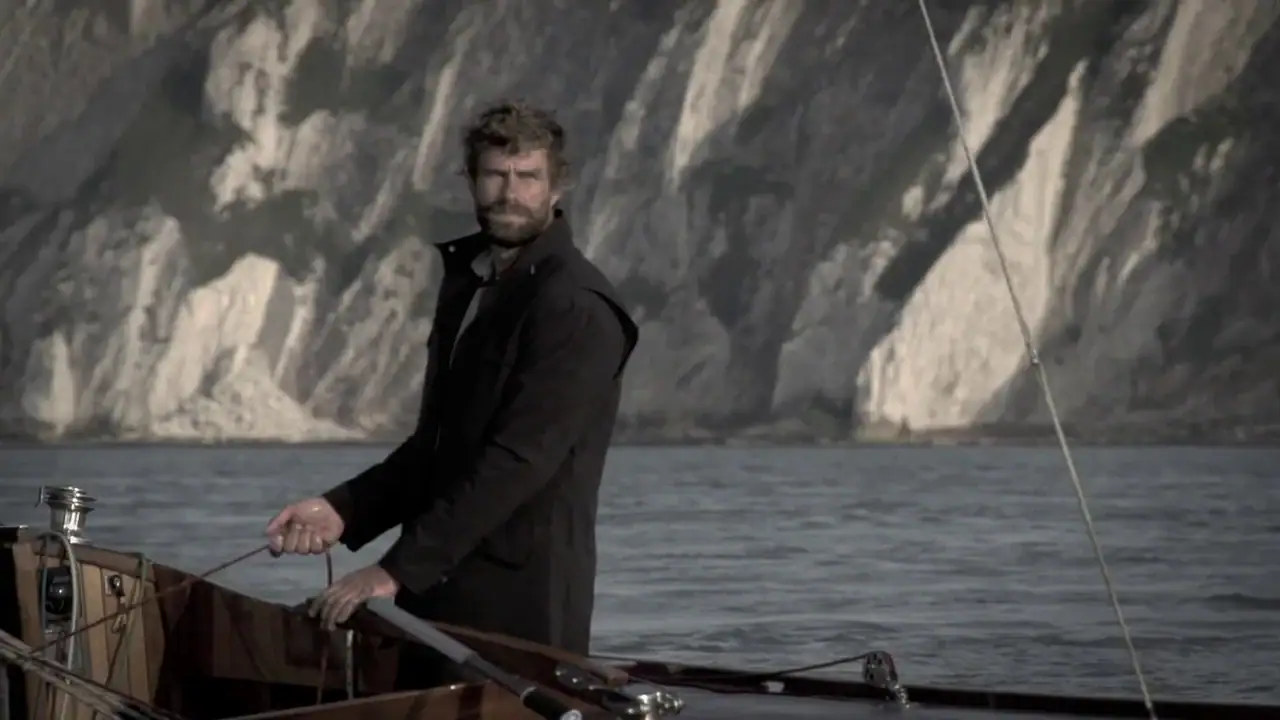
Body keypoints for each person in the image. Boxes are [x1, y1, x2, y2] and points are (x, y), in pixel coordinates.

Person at [265, 101, 639, 669]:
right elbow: (438, 448)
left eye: (528, 176)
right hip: (437, 591)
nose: (510, 193)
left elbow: (517, 462)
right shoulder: (472, 286)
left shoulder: (577, 307)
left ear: (557, 187)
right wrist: (343, 511)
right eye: (494, 175)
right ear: (470, 180)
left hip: (522, 603)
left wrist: (394, 571)